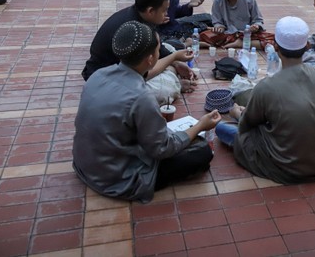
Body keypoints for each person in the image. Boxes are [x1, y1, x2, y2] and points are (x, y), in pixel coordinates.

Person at [73, 20, 220, 203]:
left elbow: (139, 77)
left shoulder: (99, 75)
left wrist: (173, 59)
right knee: (201, 152)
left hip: (85, 164)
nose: (160, 54)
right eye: (159, 50)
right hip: (116, 179)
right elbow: (162, 148)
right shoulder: (141, 96)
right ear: (151, 59)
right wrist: (200, 126)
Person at [215, 16, 315, 184]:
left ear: (275, 47)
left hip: (287, 166)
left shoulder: (266, 87)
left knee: (222, 128)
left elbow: (246, 126)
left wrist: (236, 113)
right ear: (307, 46)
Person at [82, 0, 195, 82]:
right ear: (150, 11)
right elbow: (141, 74)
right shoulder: (135, 30)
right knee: (165, 86)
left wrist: (176, 63)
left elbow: (159, 48)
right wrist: (173, 58)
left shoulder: (140, 16)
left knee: (169, 49)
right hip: (107, 80)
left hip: (124, 69)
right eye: (164, 10)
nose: (166, 14)